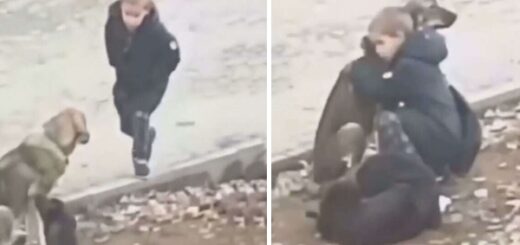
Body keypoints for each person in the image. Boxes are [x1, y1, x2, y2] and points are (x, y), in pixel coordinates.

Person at [350, 7, 463, 177]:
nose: (378, 51)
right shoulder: (419, 56)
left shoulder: (408, 66)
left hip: (441, 137)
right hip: (444, 133)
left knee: (388, 119)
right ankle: (427, 169)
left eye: (381, 43)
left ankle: (409, 174)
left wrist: (358, 71)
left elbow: (382, 91)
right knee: (400, 116)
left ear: (399, 36)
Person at [105, 0, 180, 176]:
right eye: (127, 14)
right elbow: (110, 42)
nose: (130, 20)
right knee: (126, 124)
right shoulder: (114, 23)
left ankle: (140, 159)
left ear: (147, 12)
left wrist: (157, 75)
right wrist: (116, 61)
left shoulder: (157, 32)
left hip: (151, 85)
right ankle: (146, 135)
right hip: (126, 80)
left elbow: (173, 55)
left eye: (136, 15)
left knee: (139, 114)